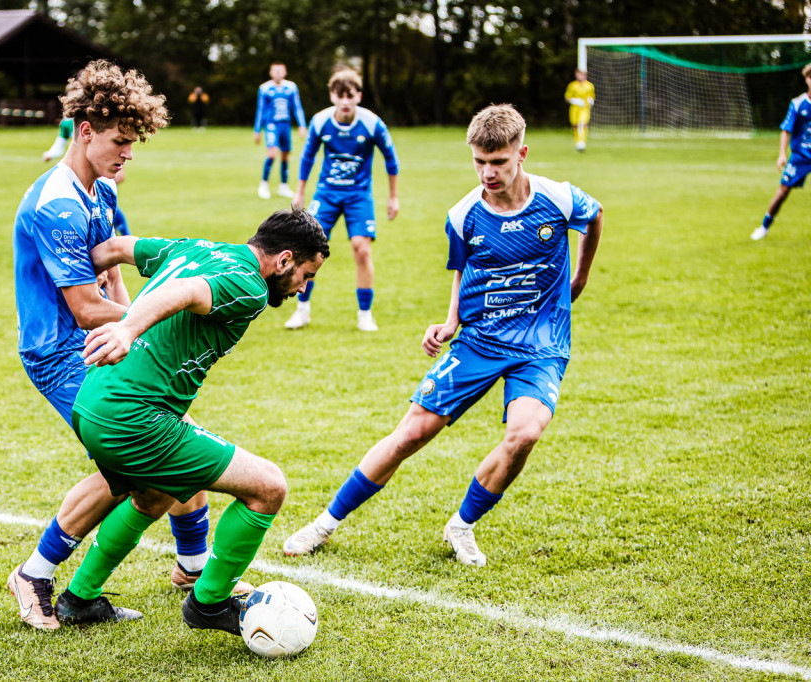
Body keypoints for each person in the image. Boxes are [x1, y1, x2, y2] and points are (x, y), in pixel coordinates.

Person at [282, 104, 603, 567]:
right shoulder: (464, 214)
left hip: (541, 342)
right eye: (479, 162)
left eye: (499, 162)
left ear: (522, 154)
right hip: (480, 340)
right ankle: (325, 524)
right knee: (412, 434)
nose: (488, 172)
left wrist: (581, 278)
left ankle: (463, 524)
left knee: (525, 433)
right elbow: (462, 270)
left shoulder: (559, 199)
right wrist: (450, 322)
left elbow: (595, 219)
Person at [7, 60, 239, 631]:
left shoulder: (100, 190)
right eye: (119, 141)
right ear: (85, 130)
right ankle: (34, 574)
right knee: (134, 464)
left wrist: (142, 324)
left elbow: (113, 275)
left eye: (133, 142)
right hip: (61, 351)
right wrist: (167, 322)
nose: (128, 153)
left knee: (171, 440)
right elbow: (85, 307)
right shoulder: (56, 205)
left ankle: (191, 564)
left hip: (103, 339)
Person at [50, 206, 329, 632]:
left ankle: (79, 598)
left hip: (94, 400)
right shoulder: (250, 285)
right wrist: (126, 330)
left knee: (156, 495)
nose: (303, 288)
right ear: (284, 259)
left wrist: (88, 273)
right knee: (269, 487)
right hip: (133, 417)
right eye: (306, 275)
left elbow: (116, 248)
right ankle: (209, 605)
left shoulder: (201, 248)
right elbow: (183, 293)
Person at [286, 68, 399, 333]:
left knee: (362, 249)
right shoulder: (321, 121)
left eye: (350, 96)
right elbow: (307, 157)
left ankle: (365, 314)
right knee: (308, 248)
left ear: (359, 96)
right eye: (340, 96)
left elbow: (392, 159)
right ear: (332, 96)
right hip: (326, 194)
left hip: (359, 195)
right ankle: (302, 309)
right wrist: (300, 192)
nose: (345, 102)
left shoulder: (372, 123)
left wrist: (393, 197)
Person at [752, 63, 811, 241]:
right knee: (783, 192)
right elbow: (786, 130)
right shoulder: (798, 103)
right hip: (800, 156)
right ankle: (764, 227)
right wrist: (782, 154)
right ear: (807, 79)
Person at [254, 62, 306, 199]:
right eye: (275, 71)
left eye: (280, 71)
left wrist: (302, 125)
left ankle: (284, 185)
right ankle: (264, 184)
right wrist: (257, 129)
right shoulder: (265, 88)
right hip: (272, 125)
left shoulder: (291, 87)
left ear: (285, 72)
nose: (277, 73)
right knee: (272, 153)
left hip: (285, 126)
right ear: (271, 72)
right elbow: (261, 110)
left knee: (285, 155)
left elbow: (297, 107)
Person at [564, 69, 595, 152]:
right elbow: (567, 97)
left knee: (582, 124)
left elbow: (592, 97)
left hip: (585, 109)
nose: (580, 76)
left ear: (585, 75)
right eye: (578, 74)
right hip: (574, 109)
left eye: (581, 74)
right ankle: (577, 142)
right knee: (575, 126)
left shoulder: (589, 86)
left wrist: (591, 101)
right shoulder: (572, 85)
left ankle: (582, 142)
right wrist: (574, 100)